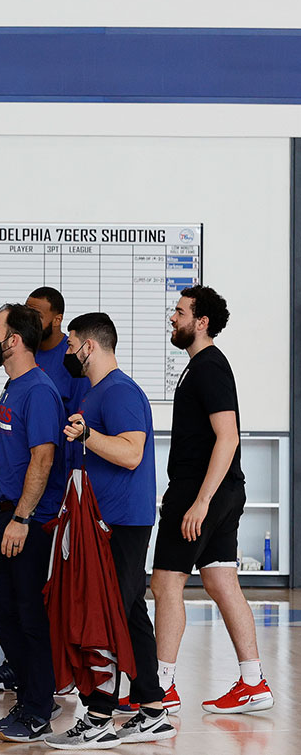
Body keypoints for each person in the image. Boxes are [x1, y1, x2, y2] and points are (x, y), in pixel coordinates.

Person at [47, 312, 175, 749]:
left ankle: (101, 716)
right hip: (107, 520)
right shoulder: (97, 391)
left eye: (70, 344)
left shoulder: (118, 391)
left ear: (90, 346)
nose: (66, 351)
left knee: (107, 614)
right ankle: (151, 709)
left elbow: (131, 453)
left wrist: (87, 436)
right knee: (126, 610)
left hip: (120, 521)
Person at [152, 287, 272, 714]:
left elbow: (229, 436)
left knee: (165, 582)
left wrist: (200, 501)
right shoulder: (198, 367)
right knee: (221, 582)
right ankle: (253, 681)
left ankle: (160, 687)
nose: (173, 318)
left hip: (204, 492)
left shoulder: (209, 367)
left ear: (201, 322)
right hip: (215, 490)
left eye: (180, 312)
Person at [0, 304, 65, 743]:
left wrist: (22, 517)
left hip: (29, 522)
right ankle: (35, 693)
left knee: (30, 616)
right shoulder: (12, 388)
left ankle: (37, 710)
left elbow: (44, 456)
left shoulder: (39, 390)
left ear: (13, 340)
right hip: (11, 511)